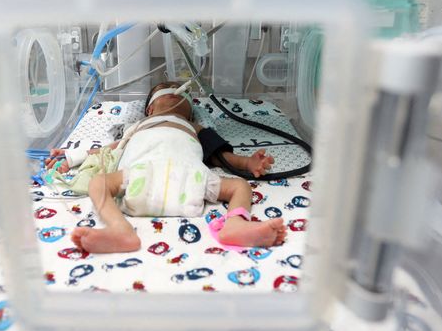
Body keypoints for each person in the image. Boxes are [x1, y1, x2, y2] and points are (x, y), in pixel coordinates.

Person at [47, 82, 287, 253]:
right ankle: (120, 229)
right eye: (166, 90)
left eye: (180, 91)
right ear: (150, 108)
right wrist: (70, 156)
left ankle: (235, 225)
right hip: (140, 173)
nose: (175, 92)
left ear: (191, 110)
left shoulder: (193, 127)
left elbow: (220, 157)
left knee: (240, 186)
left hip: (190, 175)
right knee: (97, 183)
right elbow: (107, 150)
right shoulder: (139, 126)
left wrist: (248, 162)